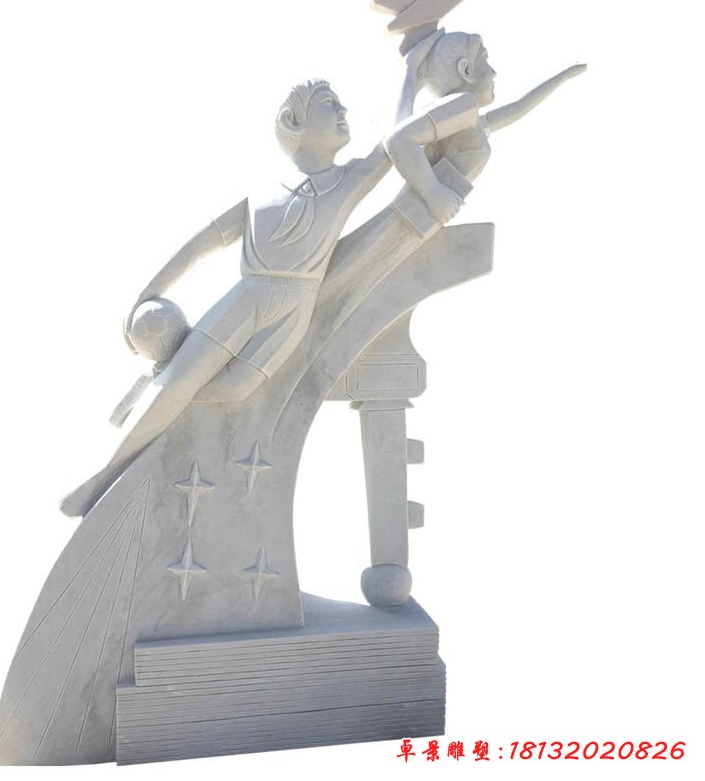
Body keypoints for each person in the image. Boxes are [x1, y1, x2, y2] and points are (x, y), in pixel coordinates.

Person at [61, 78, 481, 517]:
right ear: (293, 121)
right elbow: (197, 247)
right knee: (178, 383)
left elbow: (399, 134)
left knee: (233, 387)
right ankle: (102, 478)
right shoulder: (260, 195)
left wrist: (413, 76)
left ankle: (155, 392)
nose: (343, 110)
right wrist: (149, 292)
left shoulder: (352, 179)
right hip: (246, 297)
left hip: (293, 308)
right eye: (329, 103)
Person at [385, 28, 586, 221]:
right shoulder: (464, 104)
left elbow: (519, 107)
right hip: (408, 222)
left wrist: (566, 75)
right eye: (485, 59)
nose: (494, 72)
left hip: (415, 222)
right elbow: (397, 140)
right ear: (465, 69)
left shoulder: (467, 120)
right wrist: (433, 193)